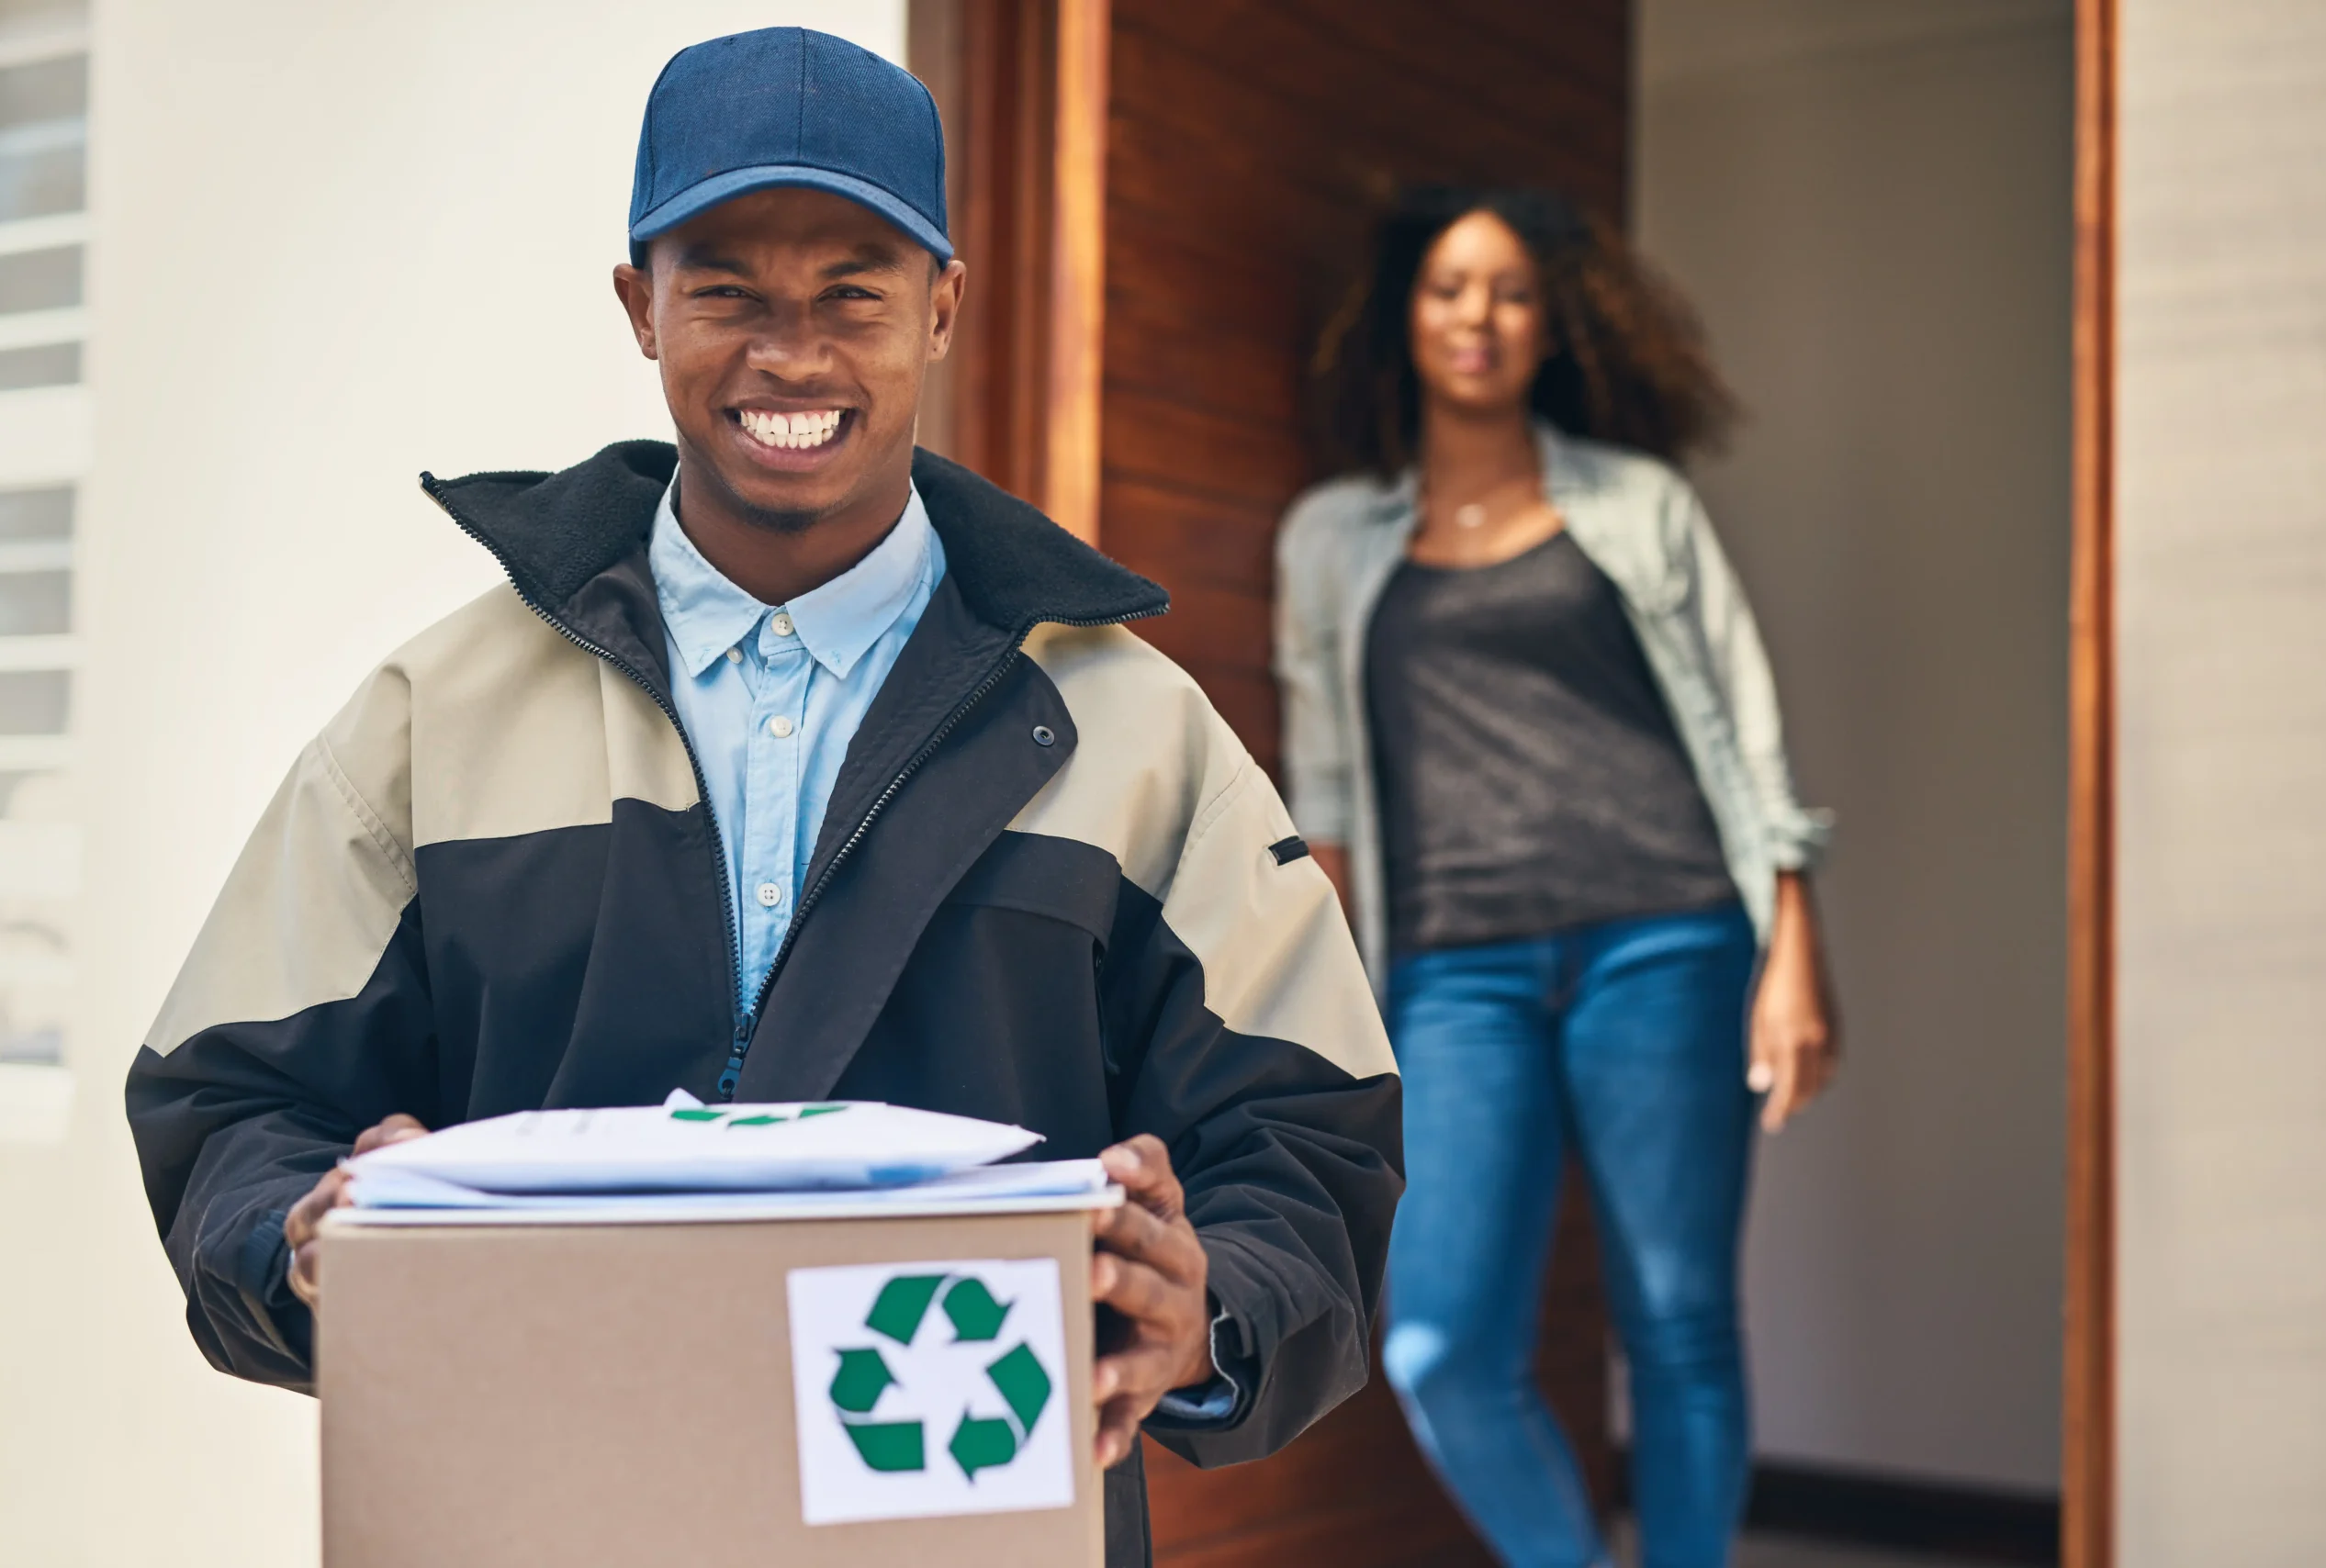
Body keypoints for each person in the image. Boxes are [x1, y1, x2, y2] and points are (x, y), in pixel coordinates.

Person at [124, 29, 1400, 1566]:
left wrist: (1210, 1313)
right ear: (638, 307)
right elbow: (229, 1105)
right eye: (724, 286)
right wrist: (311, 1238)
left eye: (854, 289)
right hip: (530, 1514)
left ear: (942, 307)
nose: (790, 355)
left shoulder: (1133, 733)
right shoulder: (429, 719)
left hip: (961, 1525)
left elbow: (1312, 1142)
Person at [1273, 187, 1837, 1568]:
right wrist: (1326, 1005)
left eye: (1512, 290)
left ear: (1551, 323)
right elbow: (1330, 784)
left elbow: (1742, 720)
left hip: (1666, 937)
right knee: (1439, 1342)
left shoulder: (1638, 505)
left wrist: (1793, 946)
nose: (1479, 316)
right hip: (1455, 970)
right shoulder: (1333, 539)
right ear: (1405, 314)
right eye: (1451, 287)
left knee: (1679, 1318)